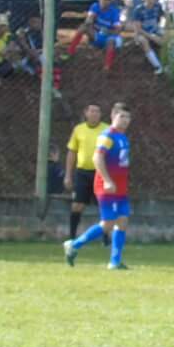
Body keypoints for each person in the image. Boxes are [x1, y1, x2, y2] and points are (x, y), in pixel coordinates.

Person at [65, 103, 133, 269]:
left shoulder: (123, 137)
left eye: (128, 117)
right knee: (108, 223)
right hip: (106, 186)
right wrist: (107, 180)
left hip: (120, 188)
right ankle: (74, 245)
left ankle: (115, 262)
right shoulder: (107, 135)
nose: (125, 120)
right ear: (113, 116)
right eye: (121, 116)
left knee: (122, 221)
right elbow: (97, 158)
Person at [65, 102, 106, 243]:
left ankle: (106, 237)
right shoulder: (79, 130)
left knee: (103, 205)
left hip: (101, 173)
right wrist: (68, 175)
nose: (94, 114)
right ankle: (72, 238)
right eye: (92, 111)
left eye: (97, 111)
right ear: (86, 113)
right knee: (77, 205)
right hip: (82, 173)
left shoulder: (107, 130)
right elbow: (72, 152)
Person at [70, 0, 127, 70]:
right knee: (83, 27)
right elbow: (89, 19)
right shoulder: (95, 6)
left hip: (109, 37)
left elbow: (117, 30)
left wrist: (107, 32)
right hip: (97, 34)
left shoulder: (114, 11)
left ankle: (107, 66)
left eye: (108, 0)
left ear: (111, 2)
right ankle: (70, 52)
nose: (105, 2)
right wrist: (90, 20)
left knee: (111, 41)